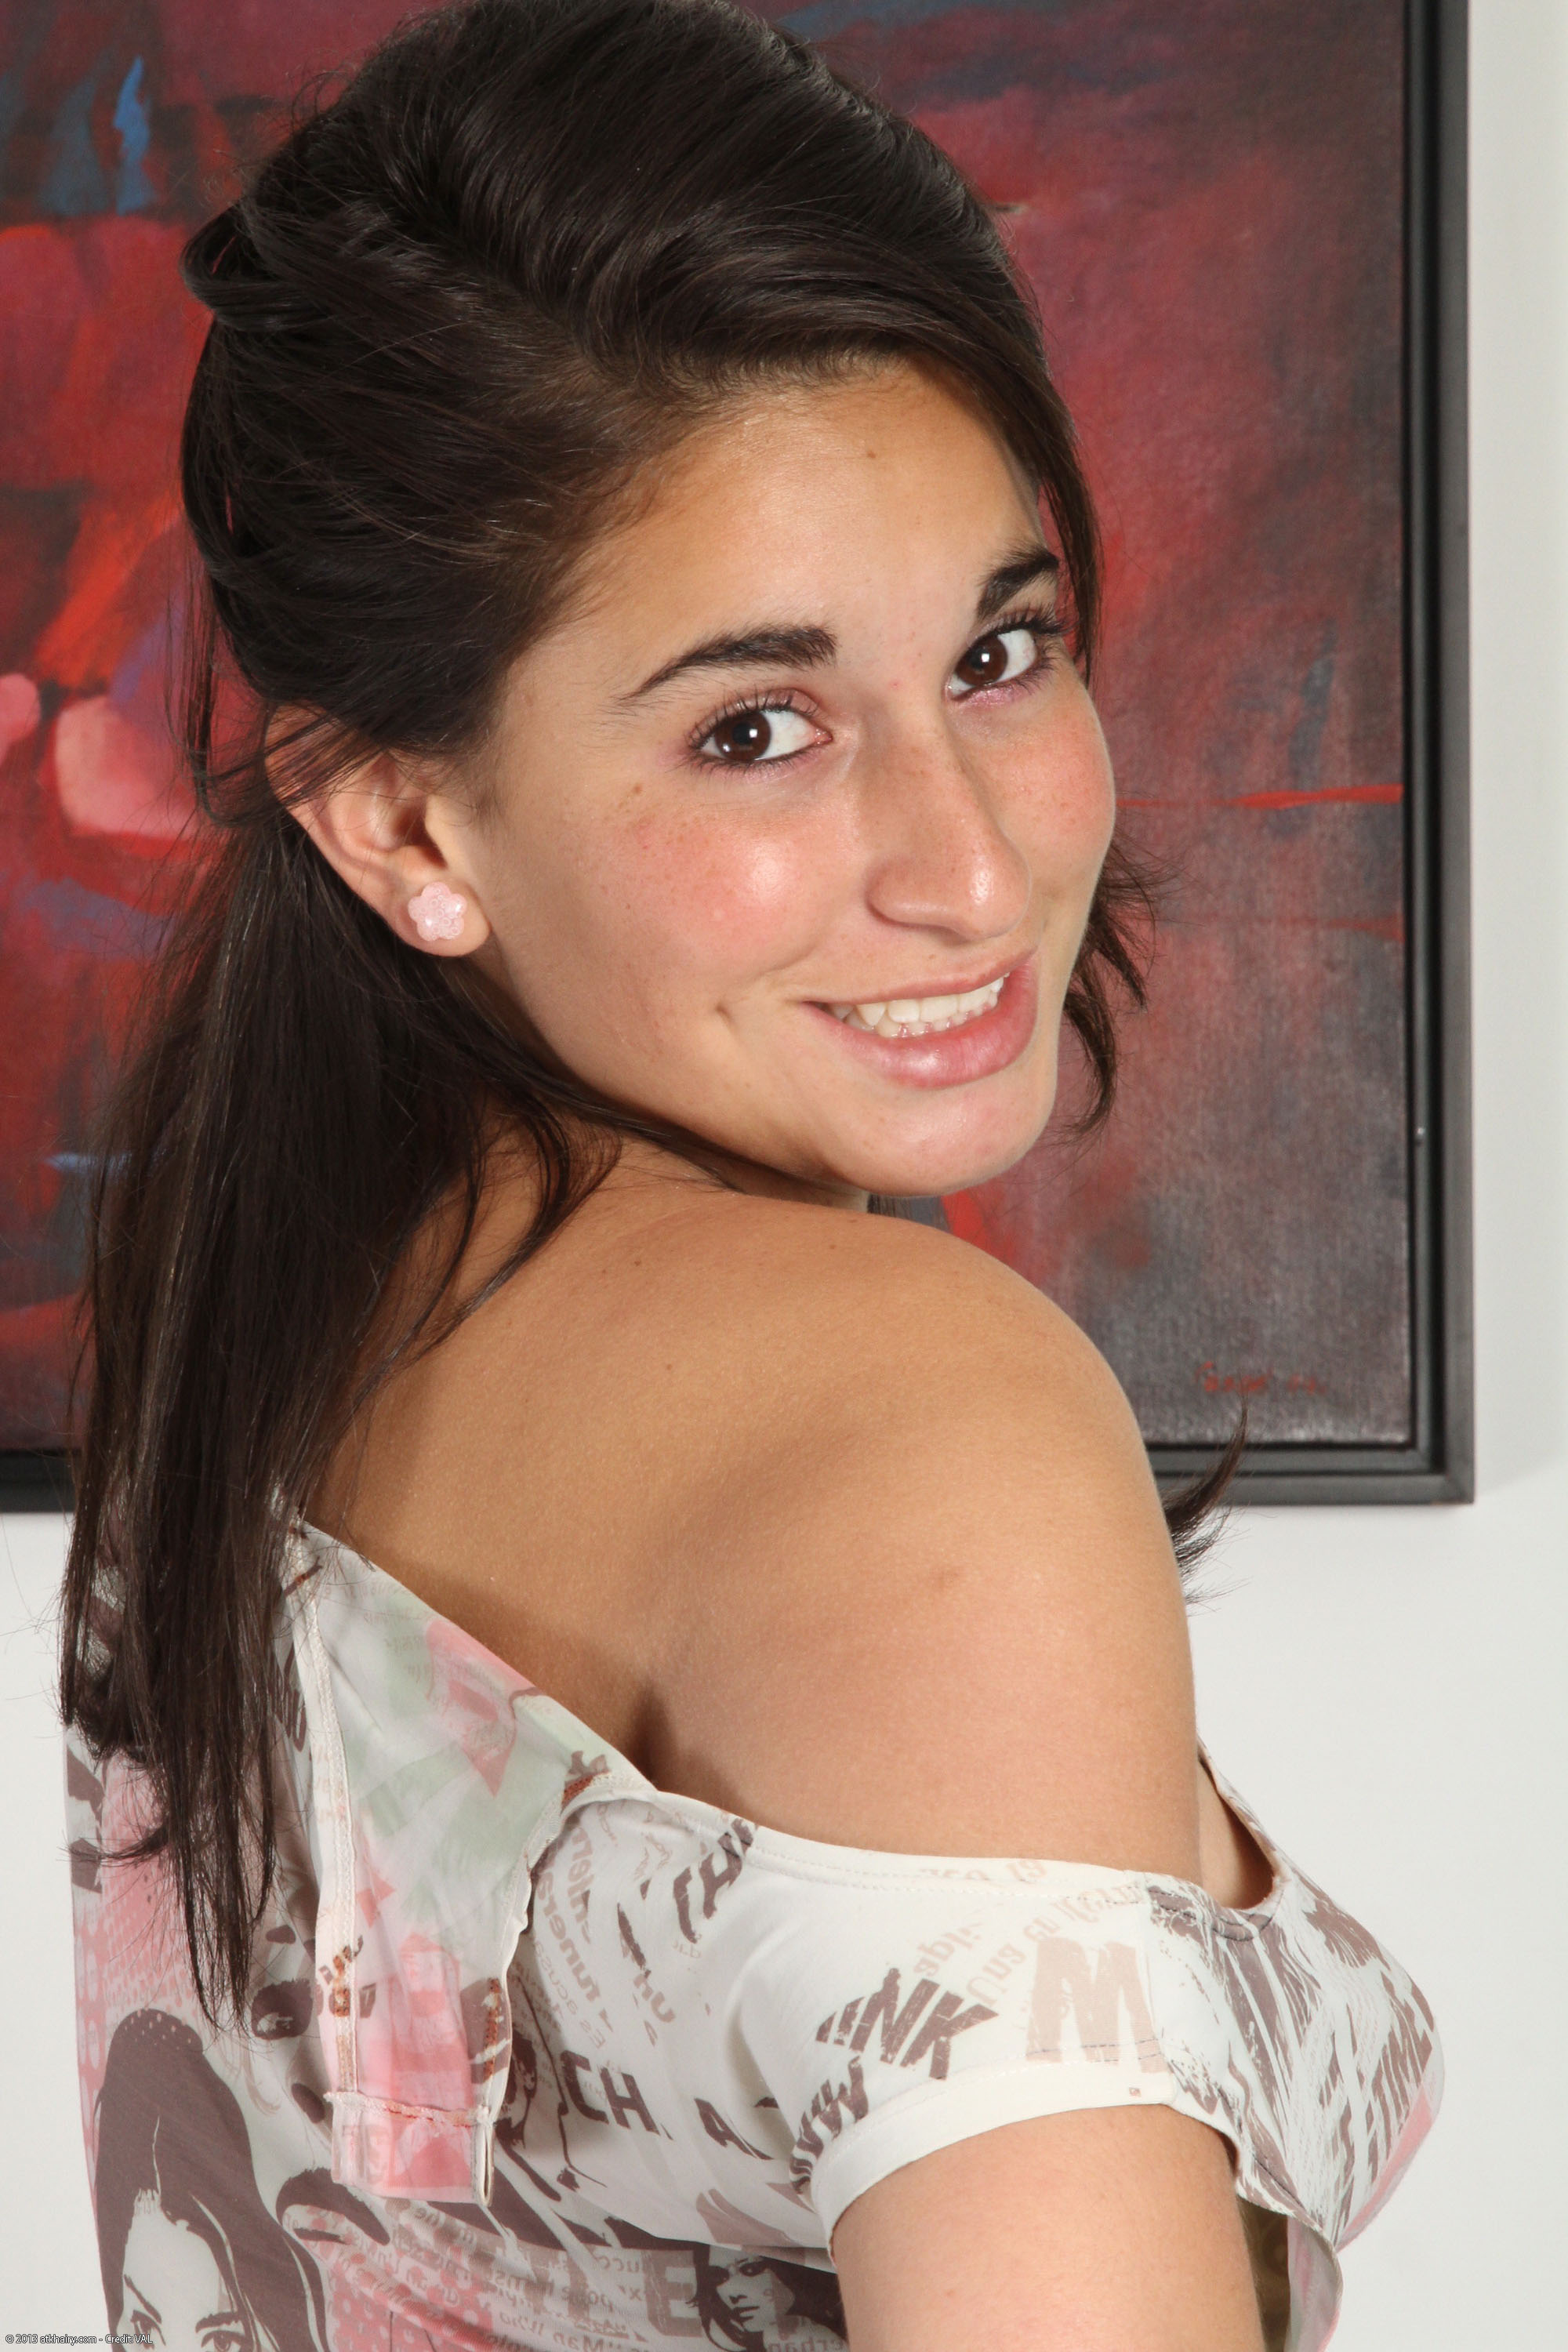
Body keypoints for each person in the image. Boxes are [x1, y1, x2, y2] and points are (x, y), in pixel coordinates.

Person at [60, 3, 1440, 2347]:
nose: (969, 862)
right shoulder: (906, 1414)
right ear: (397, 815)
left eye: (1000, 650)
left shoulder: (265, 1324)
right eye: (759, 728)